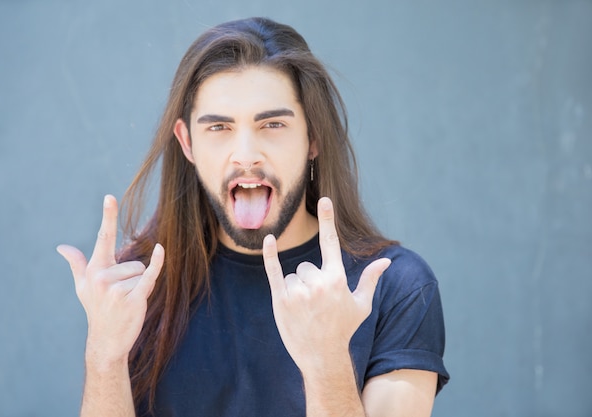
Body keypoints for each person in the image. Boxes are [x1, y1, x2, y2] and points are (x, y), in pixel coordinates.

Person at [57, 17, 449, 417]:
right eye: (220, 128)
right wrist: (104, 355)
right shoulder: (139, 286)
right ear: (187, 142)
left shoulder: (393, 287)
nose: (246, 154)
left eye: (273, 124)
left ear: (313, 138)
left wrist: (328, 362)